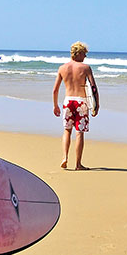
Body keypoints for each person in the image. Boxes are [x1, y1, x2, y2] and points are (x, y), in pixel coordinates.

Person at [52, 41, 99, 170]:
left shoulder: (62, 68)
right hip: (81, 102)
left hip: (68, 101)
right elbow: (93, 87)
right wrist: (96, 104)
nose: (85, 57)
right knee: (79, 133)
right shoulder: (85, 68)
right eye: (84, 53)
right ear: (78, 53)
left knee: (67, 130)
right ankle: (78, 164)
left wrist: (55, 105)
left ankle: (65, 157)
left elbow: (55, 90)